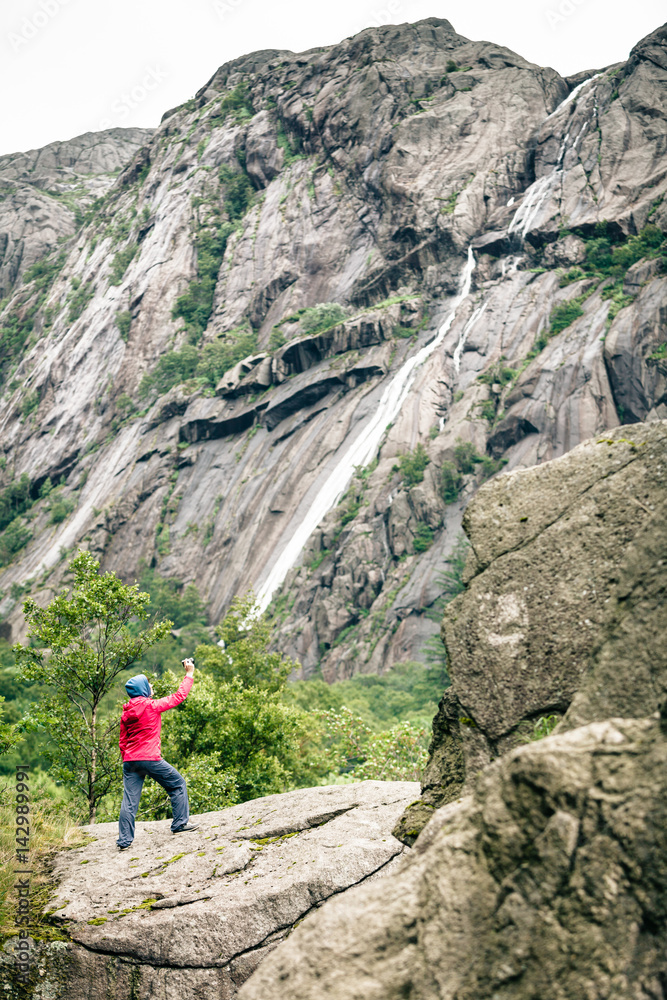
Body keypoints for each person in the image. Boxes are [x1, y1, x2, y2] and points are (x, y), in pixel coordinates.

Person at [116, 658, 199, 851]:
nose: (151, 686)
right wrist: (189, 674)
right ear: (142, 689)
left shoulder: (126, 713)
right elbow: (179, 696)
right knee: (177, 784)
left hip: (130, 761)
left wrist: (127, 758)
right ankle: (180, 824)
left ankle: (124, 841)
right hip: (150, 758)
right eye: (148, 684)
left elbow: (122, 741)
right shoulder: (152, 705)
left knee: (129, 802)